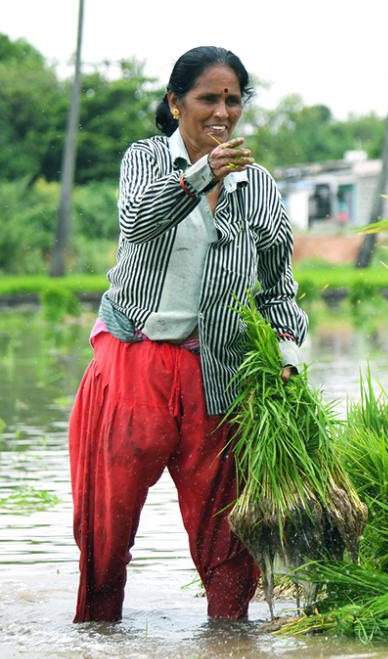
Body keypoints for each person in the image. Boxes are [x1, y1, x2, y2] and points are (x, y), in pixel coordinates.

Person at [68, 46, 307, 623]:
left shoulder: (260, 188)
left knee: (226, 540)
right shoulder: (146, 161)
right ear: (176, 103)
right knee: (108, 528)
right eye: (208, 98)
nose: (222, 111)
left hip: (217, 373)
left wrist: (287, 354)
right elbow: (136, 222)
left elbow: (277, 286)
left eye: (232, 99)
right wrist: (204, 172)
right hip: (136, 363)